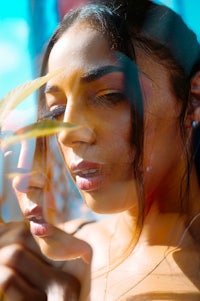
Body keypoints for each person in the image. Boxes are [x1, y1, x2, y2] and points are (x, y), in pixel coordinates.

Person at [3, 0, 200, 300]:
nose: (68, 134)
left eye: (109, 96)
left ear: (193, 99)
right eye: (56, 111)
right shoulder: (51, 256)